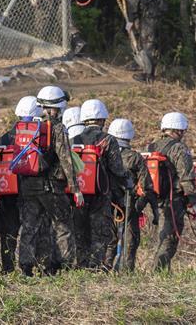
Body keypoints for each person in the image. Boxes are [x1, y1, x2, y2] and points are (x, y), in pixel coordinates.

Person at [16, 86, 83, 276]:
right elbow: (66, 159)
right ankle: (64, 266)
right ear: (58, 107)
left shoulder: (28, 127)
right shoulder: (57, 128)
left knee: (29, 226)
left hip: (28, 186)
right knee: (63, 225)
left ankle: (26, 268)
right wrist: (75, 187)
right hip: (51, 187)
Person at [71, 99, 131, 270]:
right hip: (101, 193)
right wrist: (127, 181)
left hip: (78, 194)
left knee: (80, 230)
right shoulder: (108, 140)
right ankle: (94, 266)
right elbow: (117, 169)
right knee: (100, 232)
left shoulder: (73, 139)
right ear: (102, 119)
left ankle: (80, 266)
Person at [147, 112, 196, 271]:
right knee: (170, 239)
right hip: (173, 199)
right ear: (180, 129)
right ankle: (158, 272)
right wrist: (194, 203)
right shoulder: (179, 148)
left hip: (155, 198)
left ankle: (161, 270)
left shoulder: (152, 146)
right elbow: (186, 178)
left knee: (162, 236)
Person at [0, 96, 40, 273]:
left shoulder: (5, 137)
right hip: (30, 191)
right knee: (30, 229)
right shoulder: (37, 136)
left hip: (7, 193)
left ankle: (7, 269)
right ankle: (27, 269)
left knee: (8, 233)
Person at [106, 118, 157, 271]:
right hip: (128, 205)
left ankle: (104, 268)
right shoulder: (134, 157)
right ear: (129, 136)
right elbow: (147, 186)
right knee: (130, 240)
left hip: (106, 204)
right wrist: (138, 206)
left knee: (109, 239)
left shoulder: (104, 154)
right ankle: (125, 272)